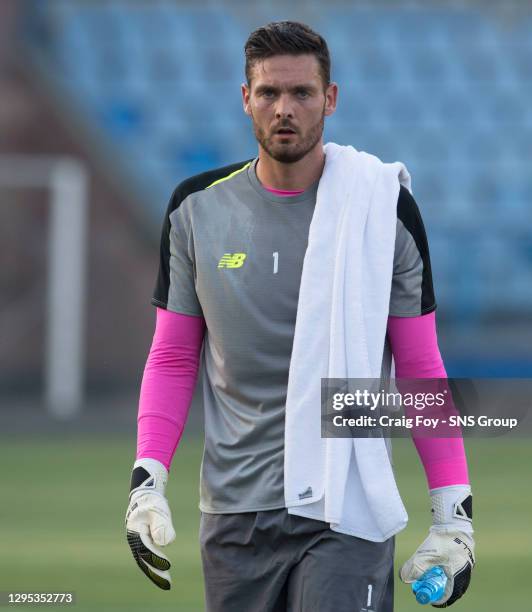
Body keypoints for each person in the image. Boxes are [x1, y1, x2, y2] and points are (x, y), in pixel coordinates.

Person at [125, 20, 475, 611]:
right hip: (235, 514)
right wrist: (147, 480)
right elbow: (173, 355)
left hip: (348, 509)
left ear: (330, 99)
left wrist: (453, 510)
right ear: (245, 99)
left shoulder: (382, 208)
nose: (284, 109)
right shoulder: (195, 210)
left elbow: (419, 366)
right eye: (268, 93)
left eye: (302, 93)